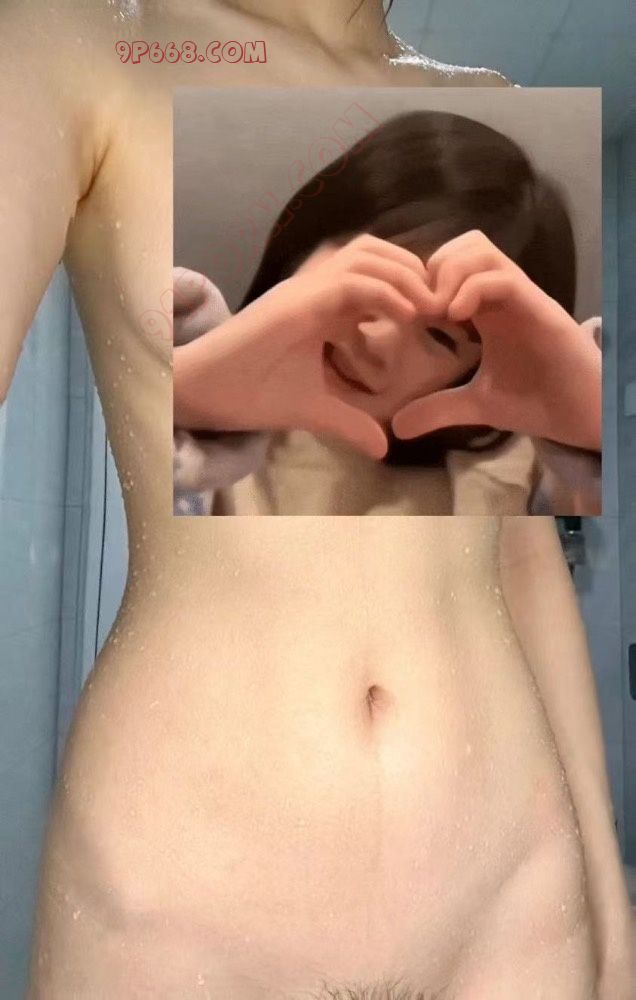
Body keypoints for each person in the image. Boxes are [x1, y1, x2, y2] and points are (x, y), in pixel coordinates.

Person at [0, 1, 631, 998]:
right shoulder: (83, 38)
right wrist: (241, 352)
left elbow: (521, 556)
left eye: (441, 336)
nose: (384, 338)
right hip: (182, 899)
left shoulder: (498, 107)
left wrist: (606, 882)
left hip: (509, 895)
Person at [172, 109, 602, 515]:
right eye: (369, 277)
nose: (377, 341)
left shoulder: (519, 483)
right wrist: (182, 397)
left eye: (440, 336)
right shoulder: (168, 328)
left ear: (470, 373)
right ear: (303, 244)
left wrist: (599, 433)